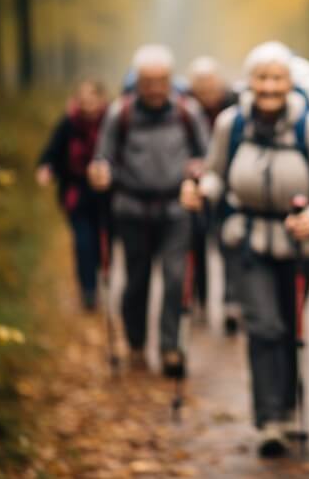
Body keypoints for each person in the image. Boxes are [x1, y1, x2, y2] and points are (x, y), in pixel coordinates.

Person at [180, 41, 309, 457]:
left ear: (289, 83)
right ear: (249, 82)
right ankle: (269, 420)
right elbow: (217, 173)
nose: (269, 86)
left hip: (296, 244)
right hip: (246, 240)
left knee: (292, 329)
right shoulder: (230, 123)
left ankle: (290, 412)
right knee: (264, 326)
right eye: (262, 78)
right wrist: (204, 190)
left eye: (277, 78)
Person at [89, 44, 209, 376]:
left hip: (175, 209)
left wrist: (199, 172)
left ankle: (171, 348)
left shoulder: (188, 111)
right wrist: (100, 172)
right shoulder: (120, 113)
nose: (155, 88)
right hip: (131, 209)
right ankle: (137, 343)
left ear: (171, 79)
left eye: (162, 80)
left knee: (174, 279)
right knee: (136, 280)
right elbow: (104, 156)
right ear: (137, 81)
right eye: (148, 81)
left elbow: (207, 155)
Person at [37, 80, 109, 311]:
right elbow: (52, 151)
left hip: (106, 194)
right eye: (84, 100)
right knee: (83, 242)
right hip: (76, 193)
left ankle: (99, 275)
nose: (88, 105)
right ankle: (88, 291)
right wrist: (46, 168)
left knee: (101, 242)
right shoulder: (68, 123)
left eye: (92, 99)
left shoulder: (112, 121)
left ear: (101, 99)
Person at [186, 56, 240, 332]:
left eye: (210, 84)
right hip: (198, 184)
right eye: (200, 86)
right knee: (197, 242)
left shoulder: (234, 103)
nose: (206, 91)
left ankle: (231, 301)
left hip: (229, 184)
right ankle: (201, 300)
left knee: (228, 242)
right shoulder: (185, 106)